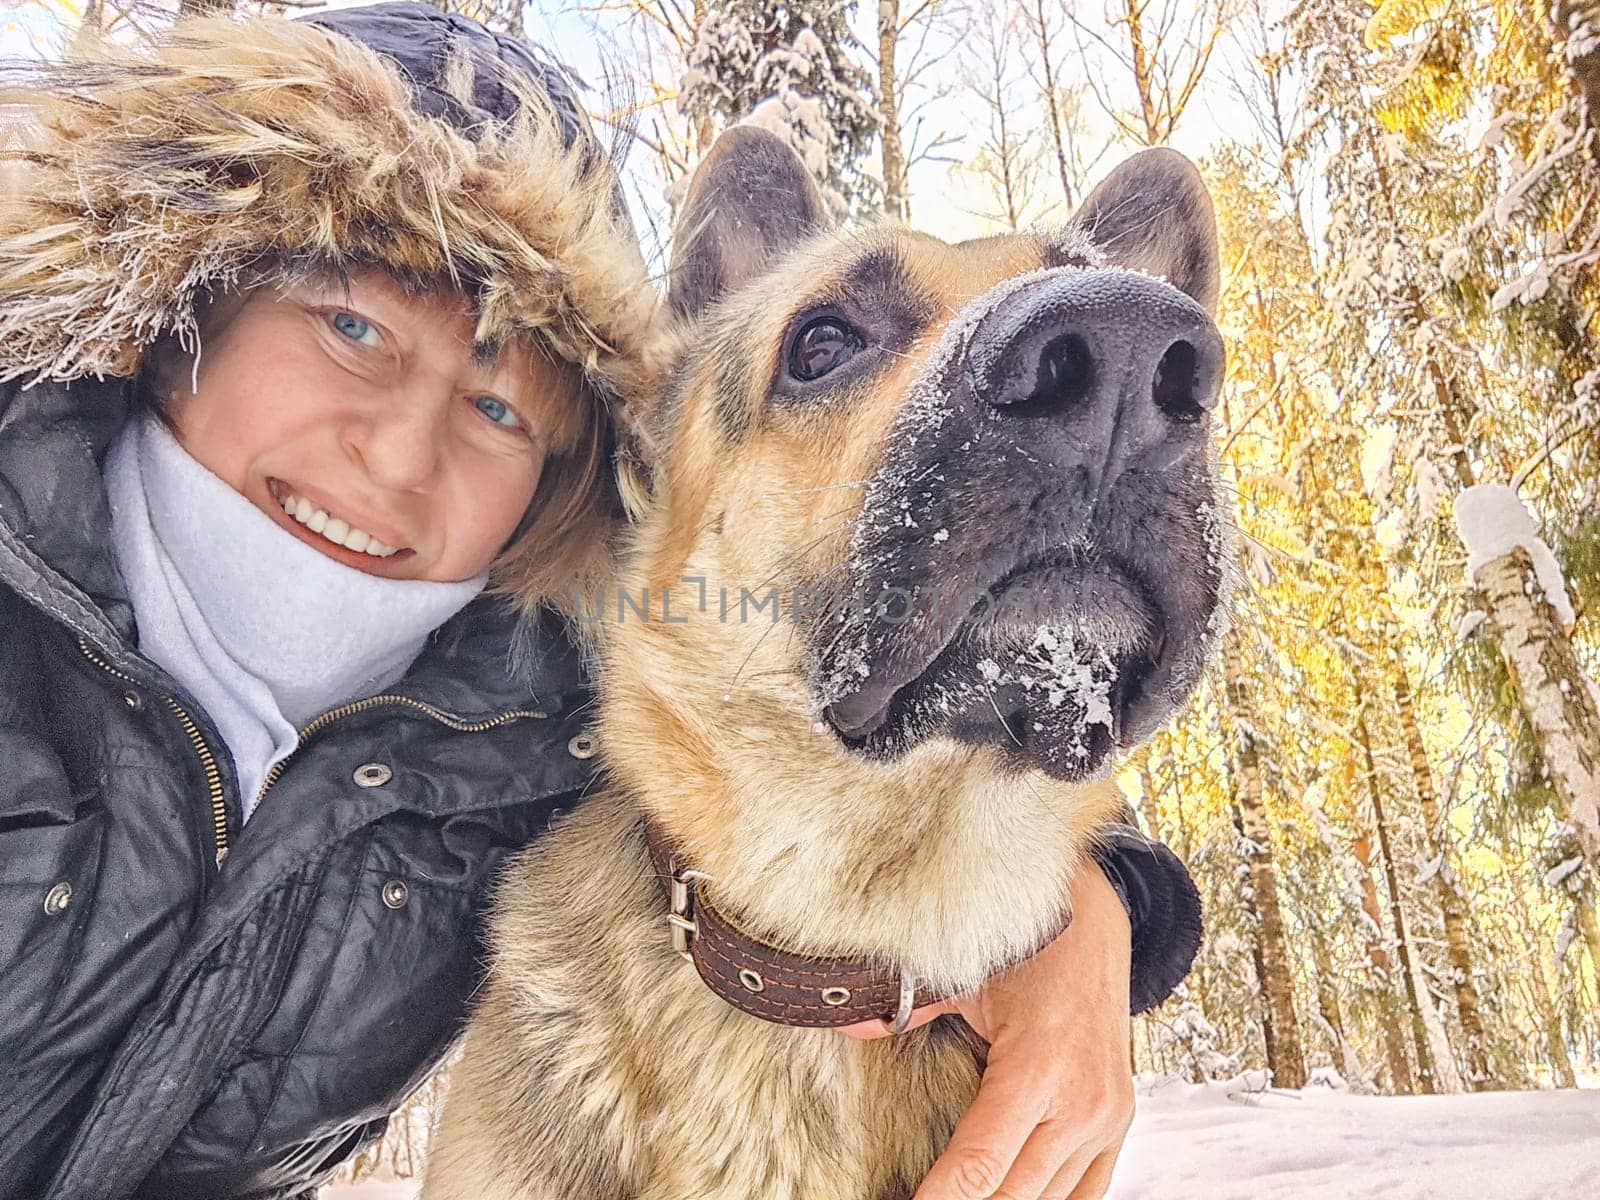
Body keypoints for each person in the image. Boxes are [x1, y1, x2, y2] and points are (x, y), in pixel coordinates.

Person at [0, 5, 1200, 1199]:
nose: (401, 456)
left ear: (558, 486)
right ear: (178, 302)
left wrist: (1093, 910)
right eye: (352, 325)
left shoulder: (507, 717)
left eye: (501, 408)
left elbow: (773, 659)